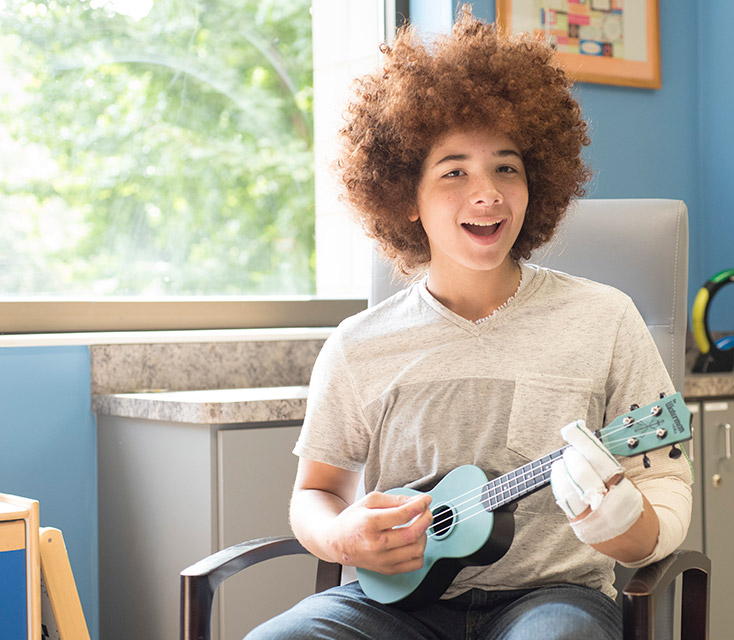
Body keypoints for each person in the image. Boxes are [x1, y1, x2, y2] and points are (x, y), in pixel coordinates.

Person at [247, 7, 692, 640]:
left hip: (553, 598)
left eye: (506, 167)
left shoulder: (606, 318)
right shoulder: (357, 345)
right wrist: (342, 536)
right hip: (389, 607)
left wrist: (621, 520)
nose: (487, 193)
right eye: (454, 171)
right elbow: (314, 492)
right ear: (404, 197)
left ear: (539, 181)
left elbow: (668, 485)